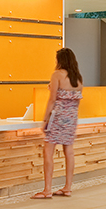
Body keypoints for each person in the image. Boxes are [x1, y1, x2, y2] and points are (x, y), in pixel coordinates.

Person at [34, 47, 83, 199]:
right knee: (69, 150)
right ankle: (68, 187)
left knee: (48, 150)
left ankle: (47, 189)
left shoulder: (57, 75)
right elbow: (77, 101)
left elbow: (52, 99)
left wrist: (45, 119)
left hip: (57, 116)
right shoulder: (78, 78)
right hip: (72, 117)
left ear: (60, 60)